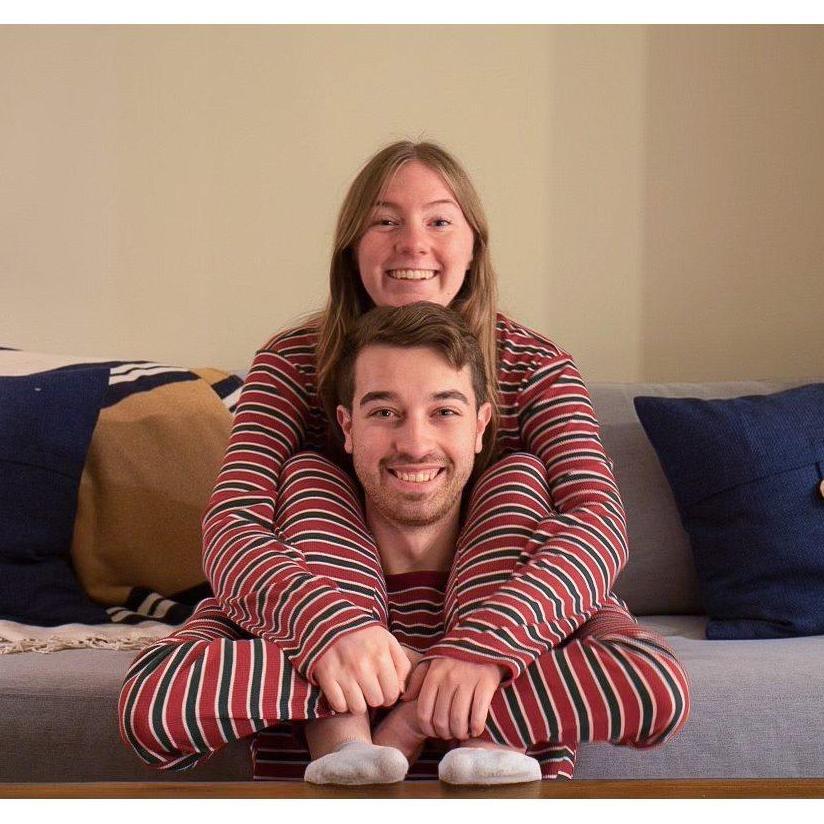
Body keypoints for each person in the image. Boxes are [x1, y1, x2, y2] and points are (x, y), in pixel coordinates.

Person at [119, 303, 690, 785]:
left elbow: (655, 690)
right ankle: (343, 741)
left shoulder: (543, 589)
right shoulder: (277, 589)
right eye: (385, 412)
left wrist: (423, 707)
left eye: (444, 411)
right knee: (306, 472)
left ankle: (474, 738)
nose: (415, 443)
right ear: (346, 427)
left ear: (481, 425)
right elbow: (151, 711)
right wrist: (333, 646)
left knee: (520, 474)